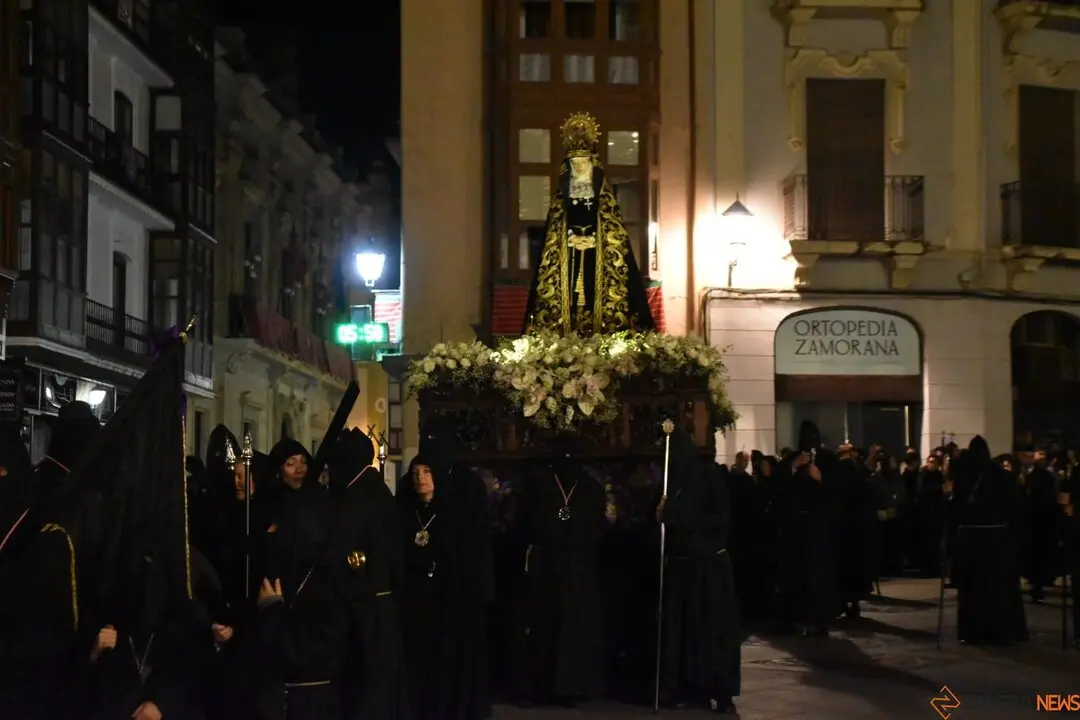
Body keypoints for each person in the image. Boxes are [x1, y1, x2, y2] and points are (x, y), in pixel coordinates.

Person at [523, 111, 655, 336]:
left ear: (592, 164)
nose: (580, 168)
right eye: (575, 163)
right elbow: (553, 234)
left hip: (597, 257)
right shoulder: (561, 202)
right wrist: (570, 240)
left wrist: (595, 239)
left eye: (584, 162)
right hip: (569, 257)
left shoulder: (603, 199)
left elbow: (613, 230)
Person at [513, 440, 606, 706]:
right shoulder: (539, 485)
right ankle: (541, 686)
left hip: (578, 569)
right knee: (544, 626)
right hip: (546, 567)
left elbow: (596, 530)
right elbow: (525, 522)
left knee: (575, 629)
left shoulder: (590, 488)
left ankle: (572, 687)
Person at [398, 456, 493, 720]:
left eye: (427, 471)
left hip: (445, 600)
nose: (420, 478)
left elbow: (462, 558)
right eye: (416, 472)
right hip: (415, 599)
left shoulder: (453, 514)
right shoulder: (407, 513)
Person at [656, 430, 740, 714]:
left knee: (714, 633)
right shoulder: (672, 481)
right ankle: (692, 687)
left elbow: (720, 519)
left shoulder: (708, 476)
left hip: (709, 568)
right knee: (688, 634)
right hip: (683, 566)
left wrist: (676, 517)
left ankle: (721, 689)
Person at [251, 482, 350, 719]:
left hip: (310, 705)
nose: (270, 532)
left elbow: (303, 654)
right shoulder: (286, 572)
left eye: (279, 525)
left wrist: (273, 610)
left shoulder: (327, 584)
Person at [328, 428, 408, 720]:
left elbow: (341, 548)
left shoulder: (356, 496)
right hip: (382, 598)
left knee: (369, 678)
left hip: (364, 600)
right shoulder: (374, 488)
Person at [950, 436, 1028, 645]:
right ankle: (1002, 630)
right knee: (998, 587)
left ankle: (972, 631)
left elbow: (954, 512)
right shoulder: (1003, 477)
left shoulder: (963, 478)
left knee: (973, 589)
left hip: (971, 541)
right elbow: (1016, 509)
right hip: (997, 540)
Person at [775, 421, 835, 636]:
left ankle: (818, 619)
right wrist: (793, 467)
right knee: (795, 574)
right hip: (795, 529)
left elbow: (838, 492)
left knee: (817, 575)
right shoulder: (791, 461)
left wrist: (820, 477)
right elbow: (778, 489)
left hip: (818, 528)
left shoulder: (828, 460)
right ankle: (796, 617)